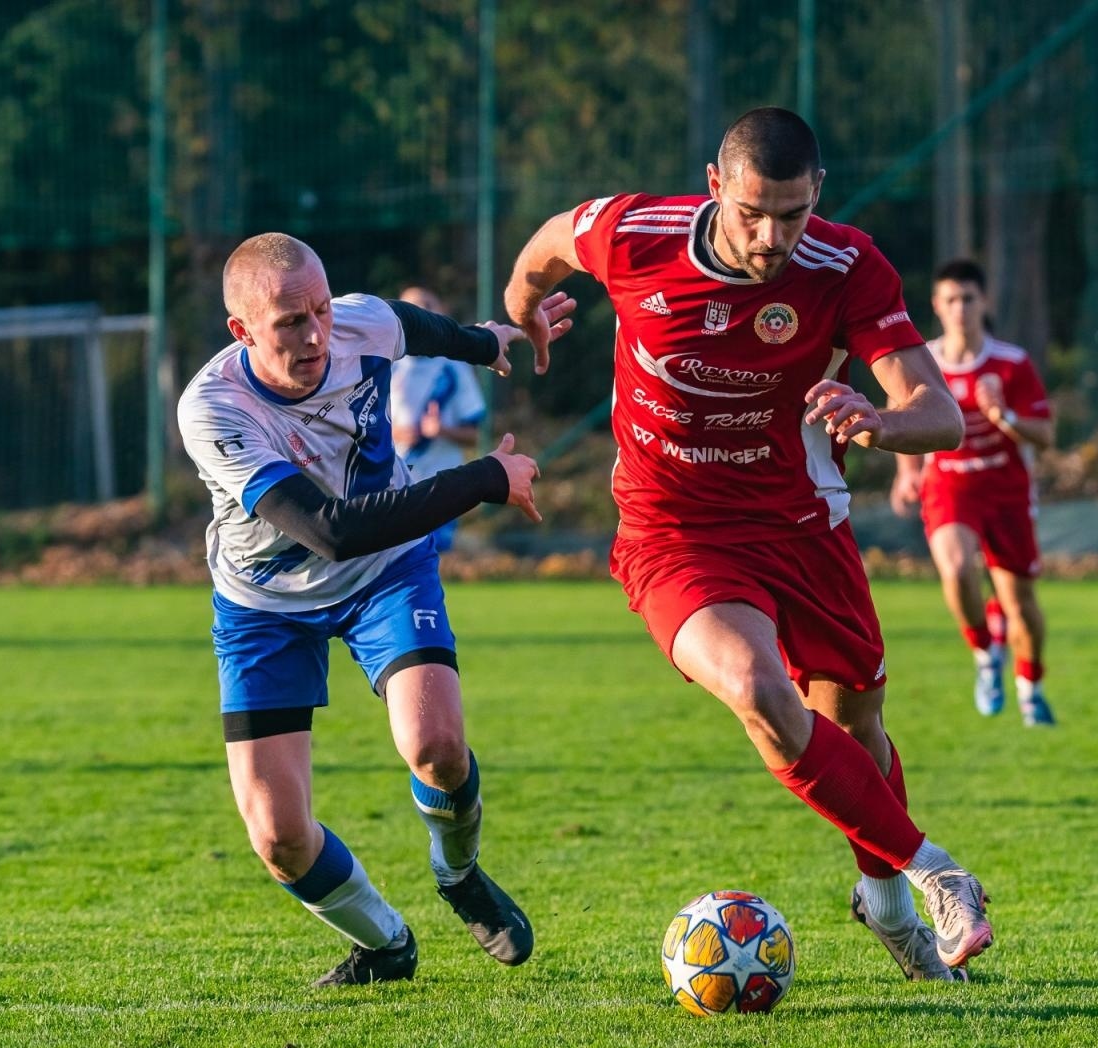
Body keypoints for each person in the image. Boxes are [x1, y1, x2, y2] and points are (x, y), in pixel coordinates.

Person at [504, 107, 994, 981]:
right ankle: (936, 873)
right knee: (760, 690)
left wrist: (880, 420)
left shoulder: (846, 265)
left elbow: (941, 414)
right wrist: (521, 309)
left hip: (805, 529)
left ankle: (882, 902)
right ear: (715, 186)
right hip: (675, 531)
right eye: (753, 213)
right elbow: (546, 246)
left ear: (820, 198)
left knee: (858, 729)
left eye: (794, 215)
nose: (773, 237)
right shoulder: (632, 234)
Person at [177, 233, 574, 987]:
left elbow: (408, 324)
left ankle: (458, 874)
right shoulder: (214, 409)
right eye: (290, 322)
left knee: (438, 747)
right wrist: (485, 475)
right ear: (242, 331)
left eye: (321, 310)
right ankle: (385, 943)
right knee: (279, 837)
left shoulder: (357, 322)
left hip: (386, 571)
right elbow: (331, 530)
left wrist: (487, 340)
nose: (316, 334)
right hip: (266, 604)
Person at [890, 259, 1056, 726]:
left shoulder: (1011, 363)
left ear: (984, 303)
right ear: (937, 307)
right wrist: (906, 473)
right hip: (948, 485)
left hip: (1006, 490)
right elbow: (901, 415)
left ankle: (1031, 688)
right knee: (958, 567)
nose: (960, 308)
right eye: (951, 300)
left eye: (968, 298)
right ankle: (985, 653)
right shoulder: (923, 361)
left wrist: (1004, 416)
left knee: (1020, 603)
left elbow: (1044, 435)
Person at [388, 286, 489, 552]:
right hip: (392, 485)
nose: (421, 314)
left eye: (428, 305)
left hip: (440, 484)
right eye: (412, 308)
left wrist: (441, 430)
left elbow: (475, 435)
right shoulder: (386, 366)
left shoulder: (454, 368)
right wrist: (395, 434)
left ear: (442, 311)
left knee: (433, 554)